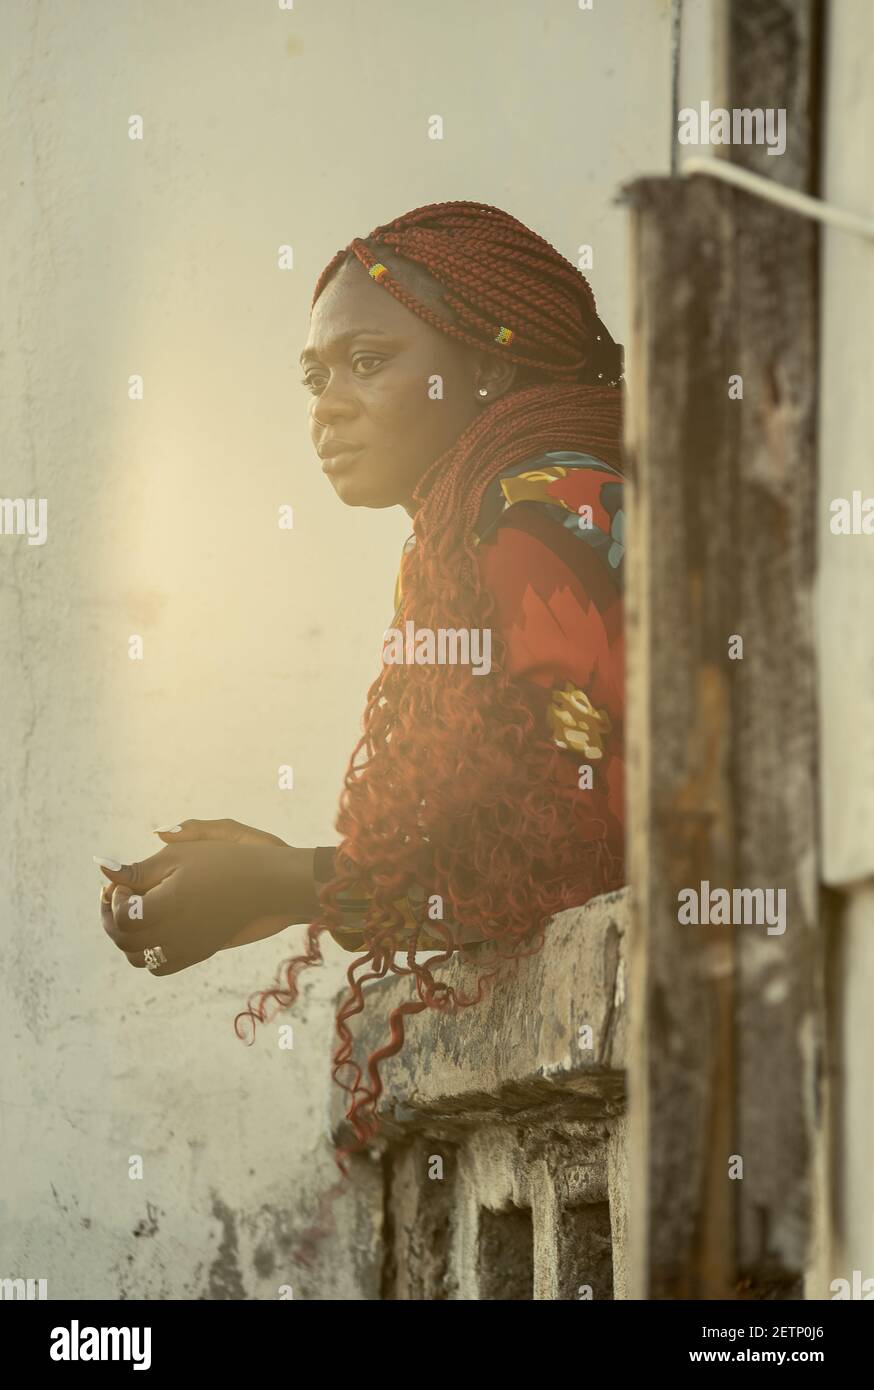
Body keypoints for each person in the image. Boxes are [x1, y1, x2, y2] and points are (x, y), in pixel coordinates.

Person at [97, 201, 625, 1161]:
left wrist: (294, 882)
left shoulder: (550, 513)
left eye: (368, 362)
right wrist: (285, 885)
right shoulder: (487, 517)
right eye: (315, 375)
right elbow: (518, 845)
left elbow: (580, 854)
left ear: (493, 366)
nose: (327, 404)